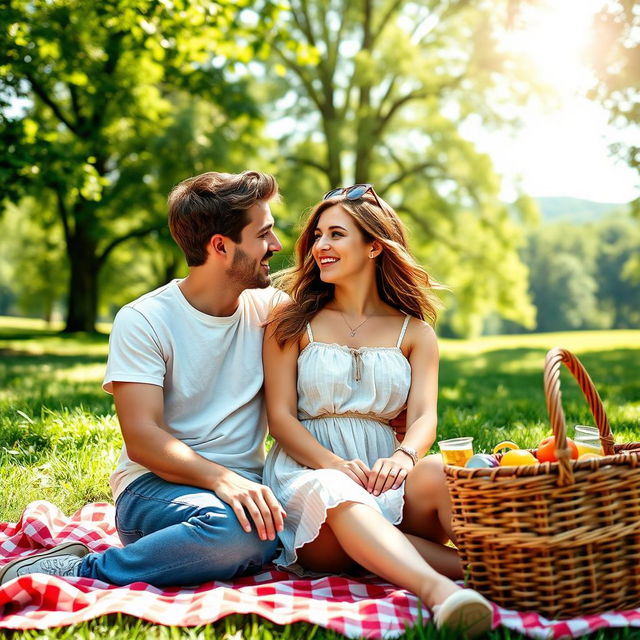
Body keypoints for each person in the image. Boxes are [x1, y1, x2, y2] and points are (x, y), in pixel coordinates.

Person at [0, 171, 288, 587]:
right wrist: (225, 480)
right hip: (153, 488)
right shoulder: (145, 319)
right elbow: (143, 437)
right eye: (264, 235)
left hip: (247, 490)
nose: (275, 247)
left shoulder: (272, 311)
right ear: (221, 246)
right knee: (242, 533)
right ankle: (80, 569)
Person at [261, 184, 493, 637]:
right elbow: (280, 418)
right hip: (310, 477)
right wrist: (334, 465)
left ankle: (494, 566)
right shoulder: (290, 322)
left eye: (336, 235)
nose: (320, 247)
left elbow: (424, 414)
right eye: (318, 237)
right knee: (333, 489)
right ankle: (441, 593)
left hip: (384, 473)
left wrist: (405, 457)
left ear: (373, 246)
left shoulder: (416, 332)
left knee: (440, 472)